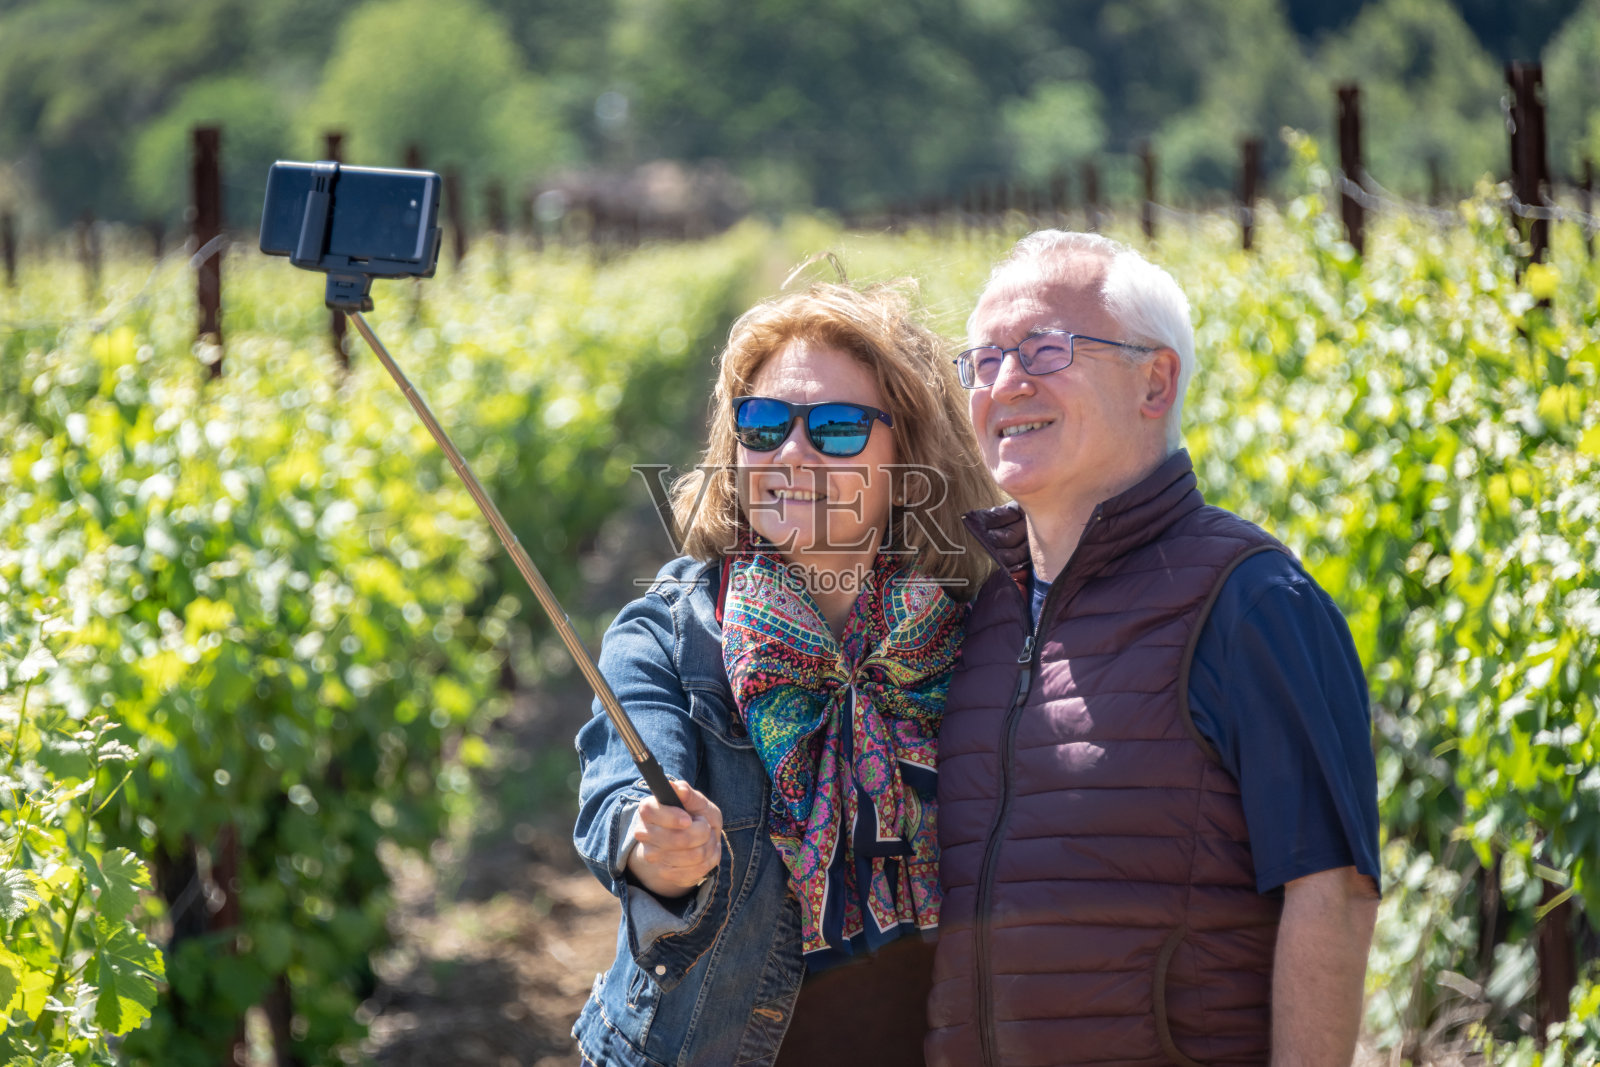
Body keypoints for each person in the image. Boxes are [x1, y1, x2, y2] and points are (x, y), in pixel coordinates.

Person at [926, 231, 1381, 1067]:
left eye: (1044, 349)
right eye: (983, 360)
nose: (1004, 383)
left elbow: (1334, 890)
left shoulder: (1251, 601)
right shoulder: (983, 616)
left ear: (1155, 379)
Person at [572, 280, 998, 1066]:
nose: (792, 454)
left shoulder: (982, 633)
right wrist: (650, 843)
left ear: (908, 454)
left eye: (836, 428)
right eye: (763, 425)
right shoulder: (668, 632)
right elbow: (622, 793)